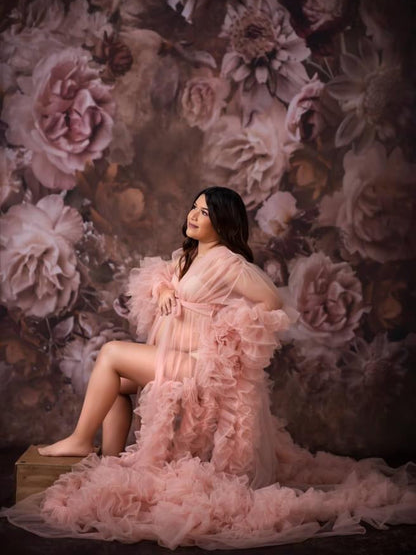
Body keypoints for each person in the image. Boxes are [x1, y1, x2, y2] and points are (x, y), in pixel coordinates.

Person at [2, 187, 415, 549]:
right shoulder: (188, 255)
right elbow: (163, 277)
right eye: (195, 208)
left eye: (205, 212)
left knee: (110, 353)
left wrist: (227, 333)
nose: (194, 216)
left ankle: (79, 440)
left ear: (223, 222)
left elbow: (272, 302)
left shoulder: (229, 263)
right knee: (119, 382)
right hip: (172, 354)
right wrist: (164, 290)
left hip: (200, 363)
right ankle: (109, 462)